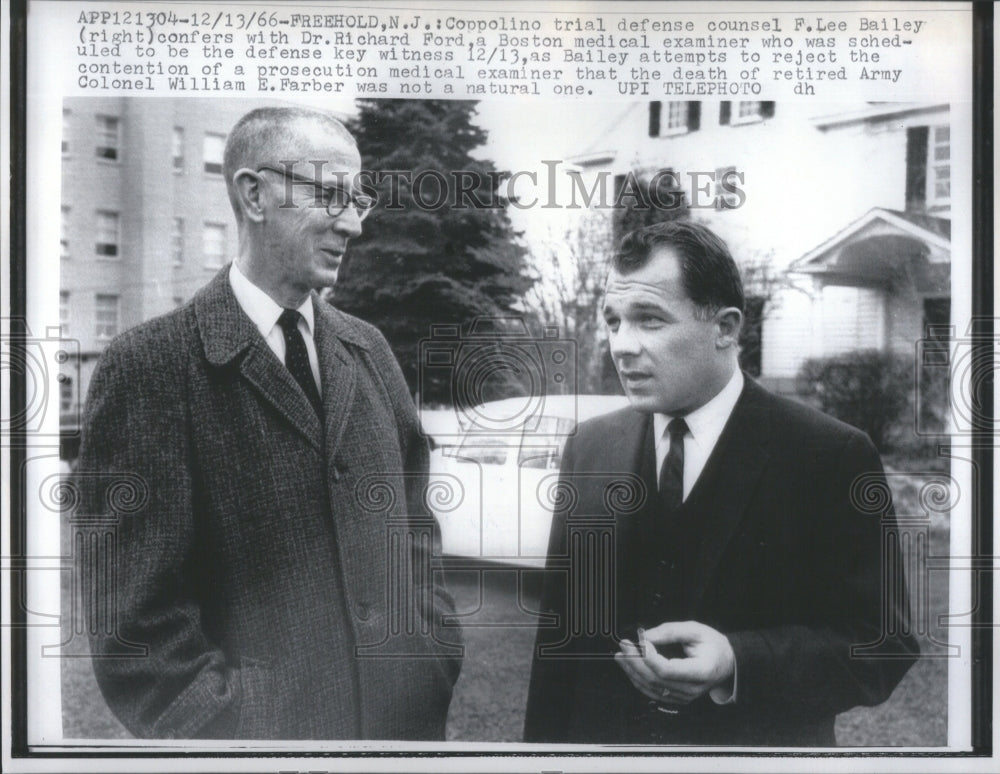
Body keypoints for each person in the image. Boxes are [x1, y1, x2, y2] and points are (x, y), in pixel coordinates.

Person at [76, 106, 462, 740]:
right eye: (331, 195)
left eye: (358, 198)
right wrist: (241, 730)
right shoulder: (150, 367)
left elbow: (415, 533)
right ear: (253, 194)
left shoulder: (371, 352)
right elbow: (135, 630)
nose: (355, 222)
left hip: (403, 737)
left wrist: (430, 659)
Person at [523, 221, 918, 745]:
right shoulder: (589, 447)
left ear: (726, 328)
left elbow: (881, 645)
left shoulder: (829, 455)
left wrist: (737, 660)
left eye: (649, 320)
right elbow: (558, 646)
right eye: (614, 321)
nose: (622, 345)